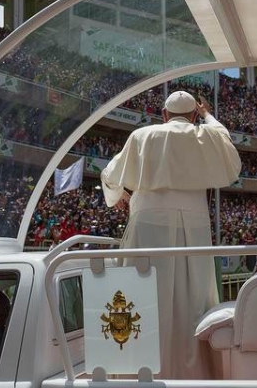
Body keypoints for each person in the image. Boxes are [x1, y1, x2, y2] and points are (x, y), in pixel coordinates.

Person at [100, 91, 241, 379]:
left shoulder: (143, 135)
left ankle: (134, 373)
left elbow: (109, 175)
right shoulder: (207, 135)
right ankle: (194, 375)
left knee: (139, 298)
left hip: (147, 224)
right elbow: (222, 135)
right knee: (193, 302)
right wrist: (207, 114)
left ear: (163, 115)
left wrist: (119, 196)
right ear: (192, 116)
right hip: (195, 226)